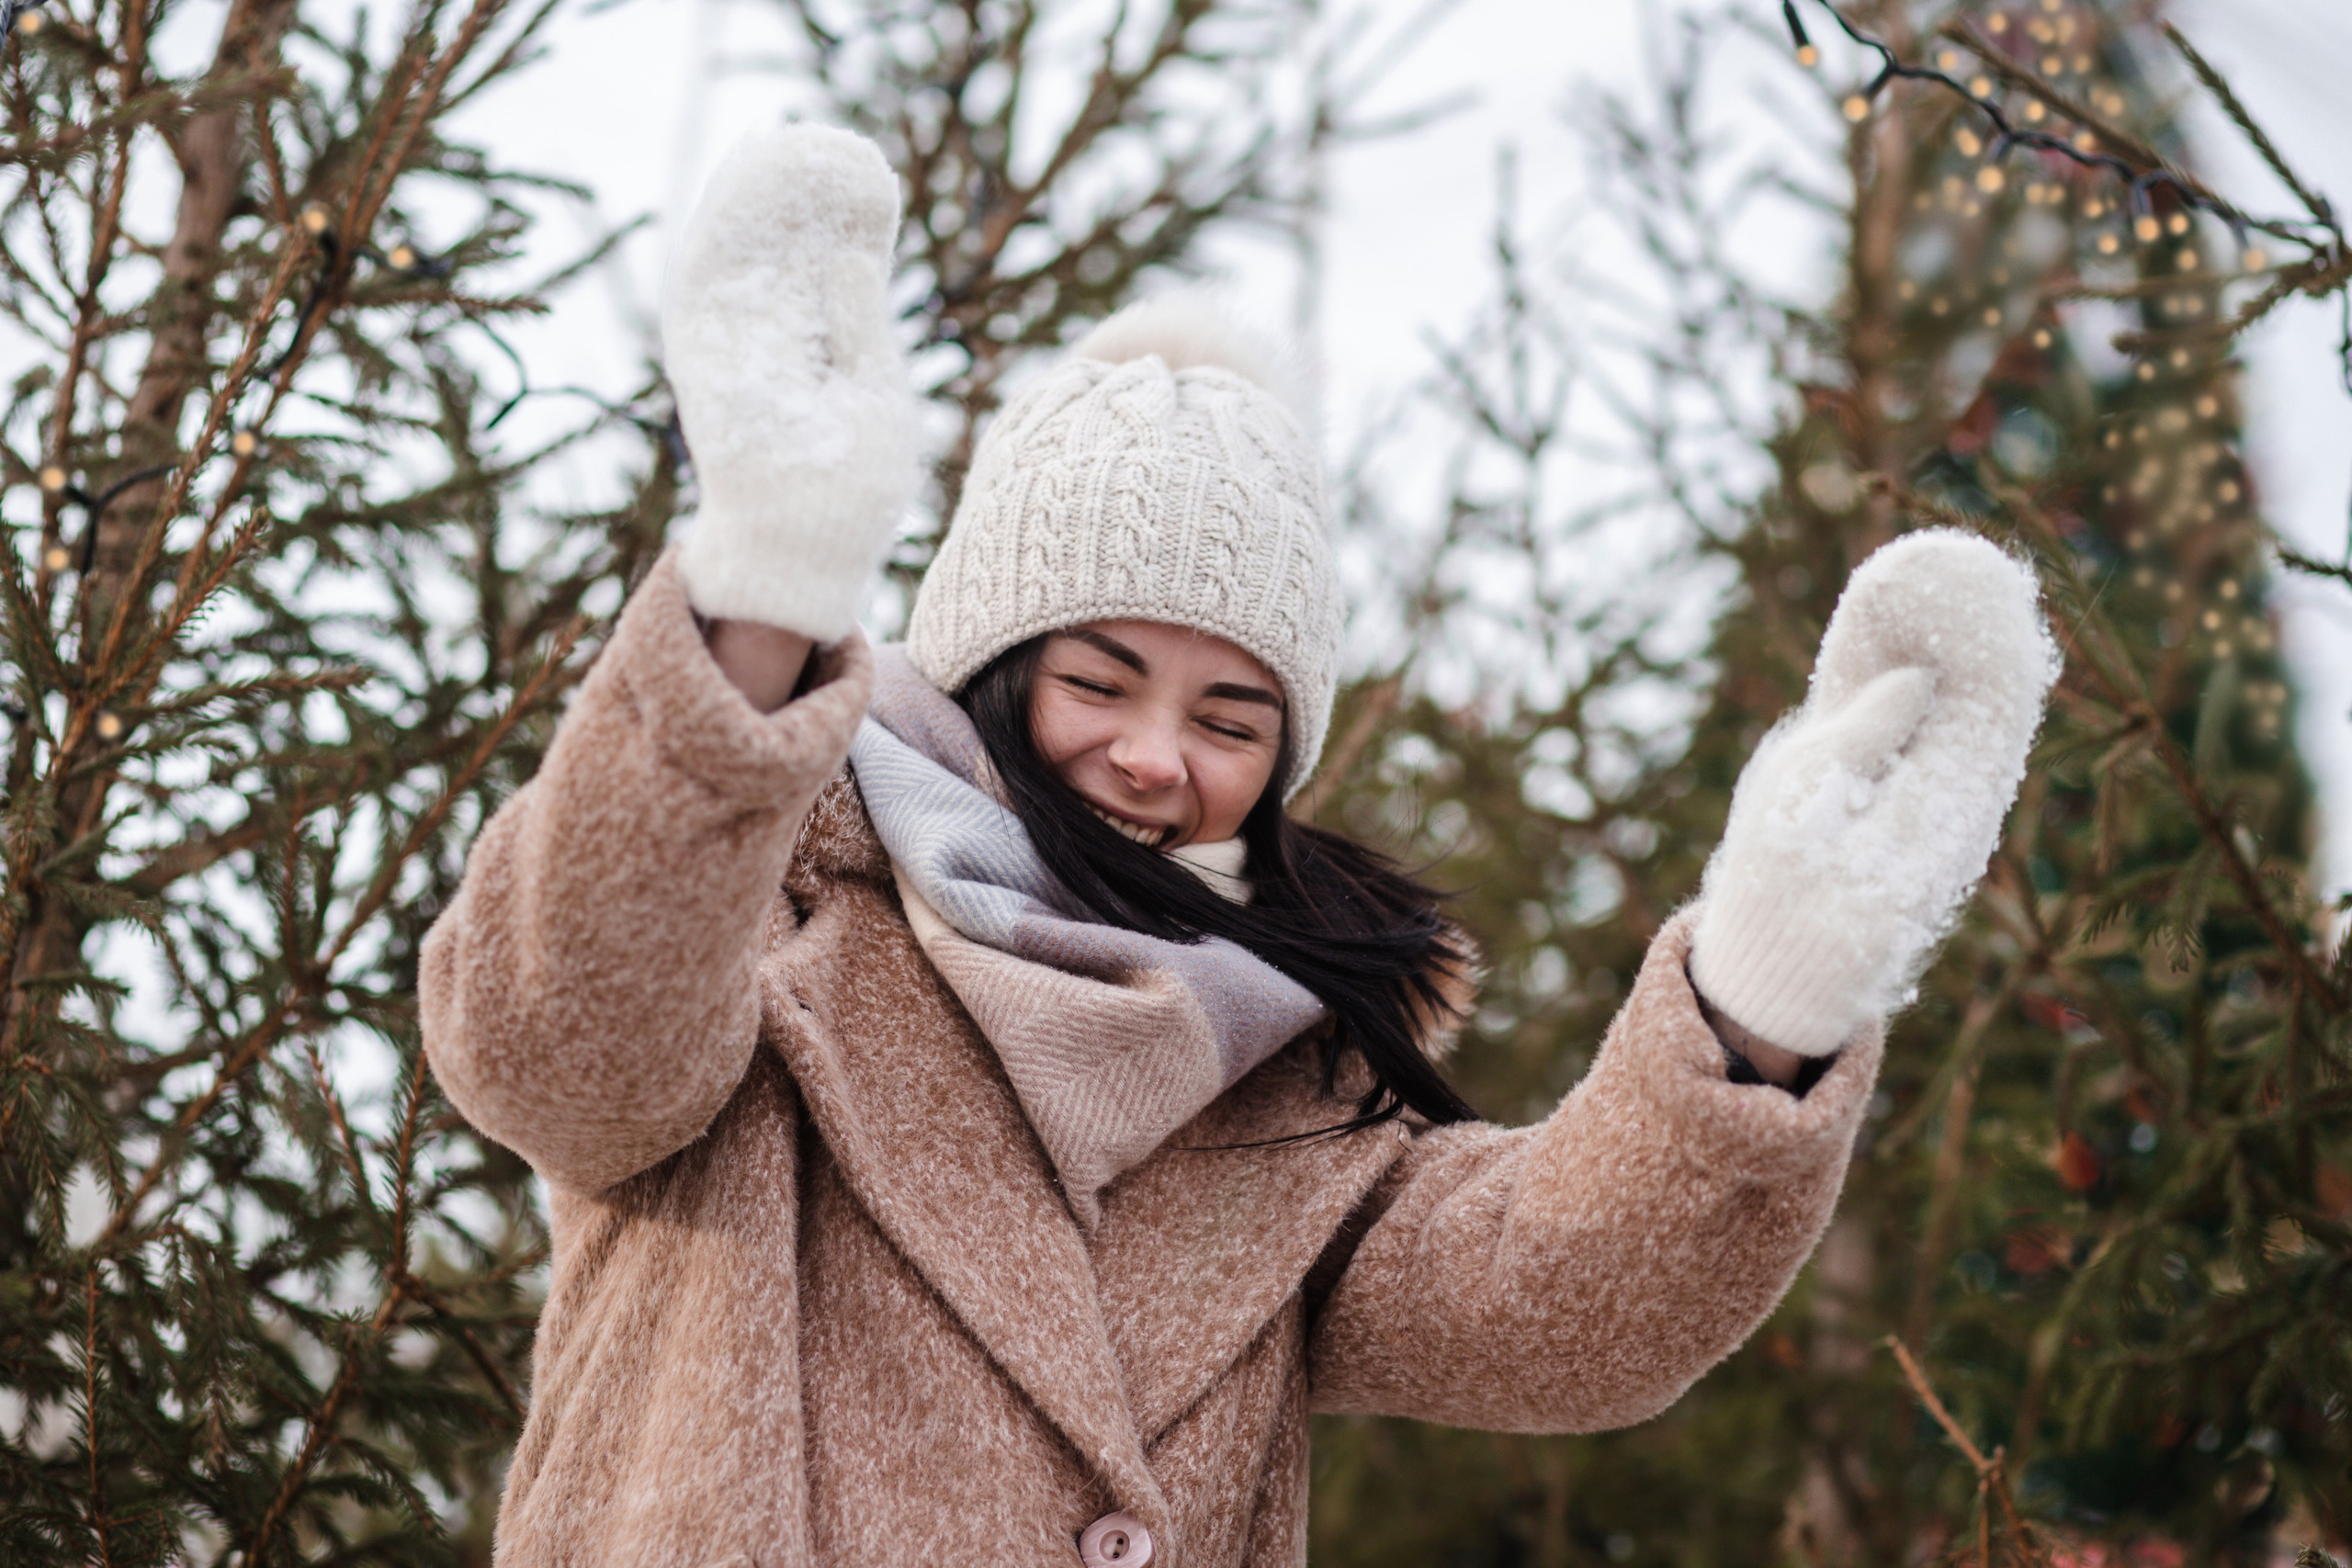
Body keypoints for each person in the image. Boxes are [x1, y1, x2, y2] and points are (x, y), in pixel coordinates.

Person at [419, 125, 2057, 1568]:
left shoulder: (1280, 1095)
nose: (1156, 758)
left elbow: (1572, 1311)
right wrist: (764, 593)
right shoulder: (769, 916)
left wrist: (1776, 974)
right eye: (1101, 680)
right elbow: (559, 1046)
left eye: (1231, 719)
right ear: (990, 667)